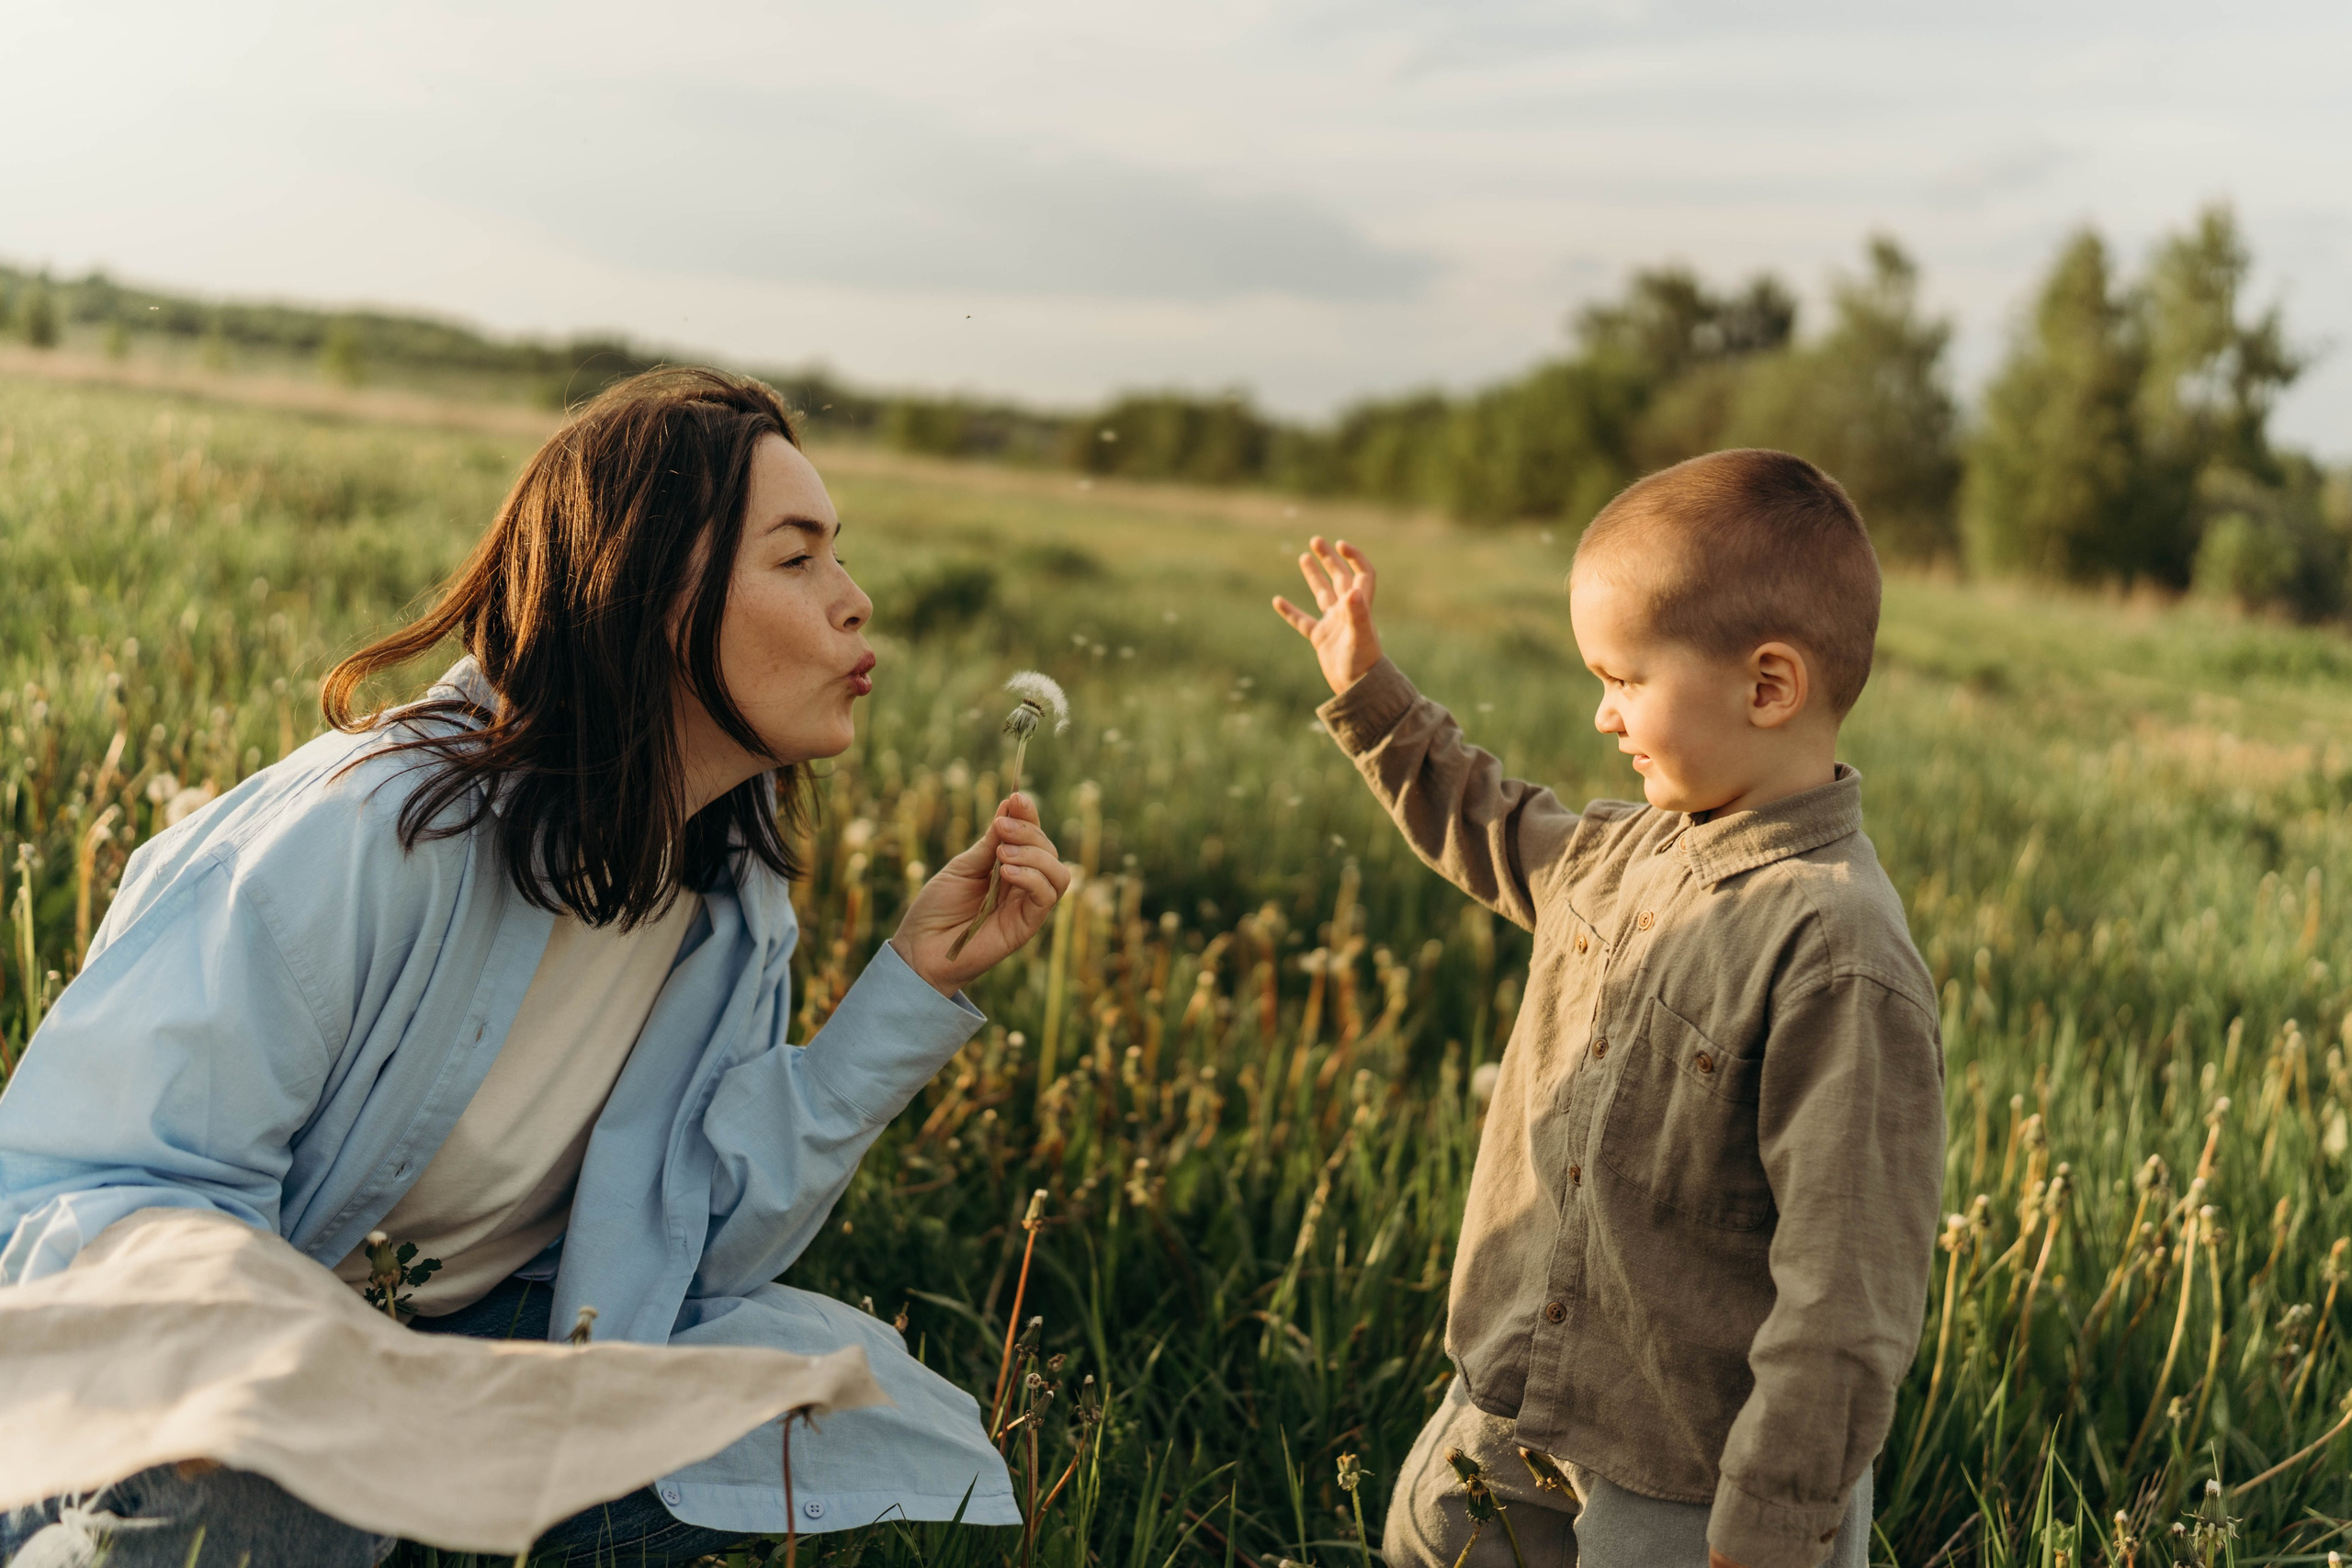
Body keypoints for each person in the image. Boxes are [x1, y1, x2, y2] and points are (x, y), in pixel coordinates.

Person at [0, 367, 1069, 1566]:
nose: (855, 601)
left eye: (841, 556)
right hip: (205, 1346)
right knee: (280, 1494)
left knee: (807, 1412)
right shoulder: (376, 829)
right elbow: (102, 1175)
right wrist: (310, 1376)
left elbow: (695, 1236)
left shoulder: (727, 893)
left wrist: (909, 989)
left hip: (463, 1344)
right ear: (650, 593)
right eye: (798, 557)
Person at [1272, 449, 1944, 1568]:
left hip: (1684, 1473)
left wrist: (1775, 1522)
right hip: (1511, 1398)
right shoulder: (1621, 851)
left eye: (1624, 681)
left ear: (1766, 687)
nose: (1601, 715)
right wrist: (1371, 690)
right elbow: (1489, 822)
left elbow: (1845, 1293)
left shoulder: (1836, 954)